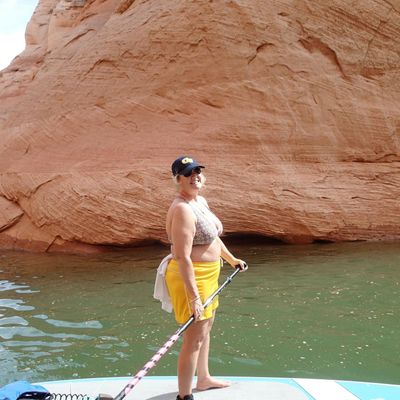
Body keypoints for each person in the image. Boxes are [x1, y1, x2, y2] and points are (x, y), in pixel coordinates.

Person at [165, 156, 248, 400]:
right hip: (192, 277)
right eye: (188, 174)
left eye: (197, 172)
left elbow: (213, 238)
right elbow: (183, 257)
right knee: (194, 338)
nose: (195, 177)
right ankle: (184, 395)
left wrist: (231, 259)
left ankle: (203, 378)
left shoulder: (199, 201)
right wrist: (194, 298)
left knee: (205, 329)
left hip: (209, 275)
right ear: (178, 179)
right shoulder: (182, 209)